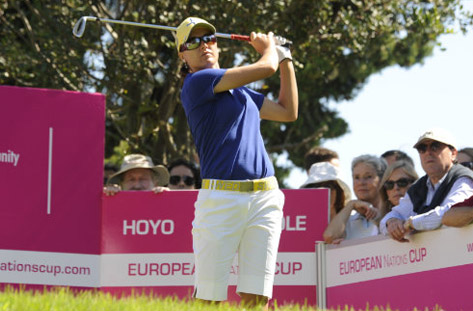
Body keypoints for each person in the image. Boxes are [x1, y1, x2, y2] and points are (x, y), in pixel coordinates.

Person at [176, 16, 297, 309]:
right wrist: (270, 48)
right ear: (183, 55)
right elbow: (264, 67)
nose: (204, 46)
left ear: (218, 46)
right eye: (193, 41)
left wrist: (286, 58)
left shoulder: (241, 92)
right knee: (209, 296)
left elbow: (287, 111)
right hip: (221, 198)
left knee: (258, 296)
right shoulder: (196, 82)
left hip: (265, 197)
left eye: (209, 39)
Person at [379, 128, 473, 242]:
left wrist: (410, 223)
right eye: (422, 148)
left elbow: (449, 213)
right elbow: (392, 216)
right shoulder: (418, 186)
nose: (428, 152)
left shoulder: (464, 178)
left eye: (435, 146)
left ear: (453, 153)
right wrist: (392, 222)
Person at [322, 154, 387, 244]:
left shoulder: (392, 215)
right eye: (356, 177)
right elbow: (329, 236)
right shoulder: (348, 220)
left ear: (382, 180)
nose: (361, 182)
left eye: (368, 177)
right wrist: (351, 204)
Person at [103, 154, 169, 194]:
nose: (137, 186)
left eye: (143, 179)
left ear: (155, 183)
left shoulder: (165, 203)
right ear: (121, 184)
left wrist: (170, 198)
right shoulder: (114, 205)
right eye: (131, 179)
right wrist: (109, 197)